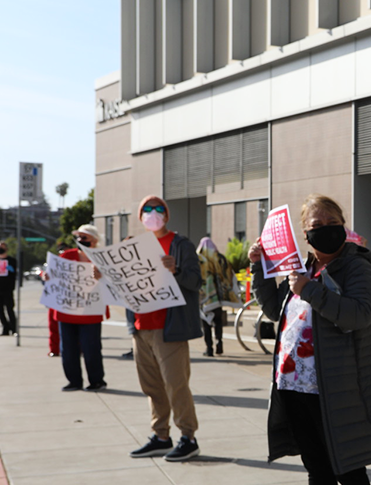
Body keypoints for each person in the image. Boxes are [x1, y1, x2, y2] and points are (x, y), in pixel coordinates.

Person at [250, 194, 371, 485]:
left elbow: (359, 314)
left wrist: (310, 290)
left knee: (349, 470)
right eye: (315, 226)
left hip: (336, 389)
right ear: (304, 235)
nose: (325, 231)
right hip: (295, 386)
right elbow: (276, 309)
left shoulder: (356, 266)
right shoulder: (302, 267)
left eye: (331, 223)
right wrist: (261, 269)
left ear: (343, 225)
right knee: (317, 470)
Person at [126, 196, 204, 462]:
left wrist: (177, 269)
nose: (153, 213)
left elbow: (195, 281)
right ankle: (161, 437)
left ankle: (188, 438)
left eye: (159, 209)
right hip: (141, 327)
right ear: (140, 216)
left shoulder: (180, 245)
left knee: (176, 385)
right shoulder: (132, 247)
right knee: (152, 387)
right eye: (146, 209)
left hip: (169, 328)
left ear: (167, 215)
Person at [53, 225, 108, 391]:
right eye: (78, 237)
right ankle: (74, 381)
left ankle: (97, 380)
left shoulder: (102, 258)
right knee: (68, 349)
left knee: (91, 348)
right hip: (67, 310)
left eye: (84, 238)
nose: (80, 241)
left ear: (94, 240)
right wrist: (47, 275)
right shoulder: (67, 256)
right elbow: (54, 274)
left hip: (90, 311)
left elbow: (113, 283)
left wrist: (101, 276)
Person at [197, 237, 238, 357]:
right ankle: (219, 343)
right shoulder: (220, 259)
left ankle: (209, 348)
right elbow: (230, 274)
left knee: (206, 323)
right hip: (218, 298)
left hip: (204, 298)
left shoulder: (198, 259)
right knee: (218, 321)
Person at [0, 242, 17, 336]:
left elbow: (14, 273)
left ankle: (14, 329)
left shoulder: (12, 260)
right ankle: (5, 328)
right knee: (1, 311)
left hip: (8, 289)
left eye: (3, 247)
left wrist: (9, 268)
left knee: (10, 309)